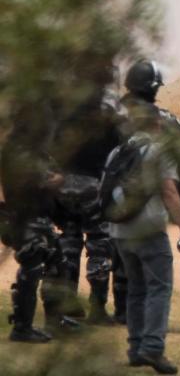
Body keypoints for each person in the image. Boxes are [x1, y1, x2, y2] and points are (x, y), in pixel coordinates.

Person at [109, 117, 180, 375]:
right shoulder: (158, 152)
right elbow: (169, 192)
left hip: (120, 230)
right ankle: (153, 347)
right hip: (149, 230)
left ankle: (135, 348)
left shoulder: (117, 152)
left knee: (136, 288)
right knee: (159, 288)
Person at [51, 90, 122, 324]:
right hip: (94, 185)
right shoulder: (108, 113)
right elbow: (117, 149)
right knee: (99, 246)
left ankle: (68, 305)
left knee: (69, 244)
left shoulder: (64, 111)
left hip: (65, 184)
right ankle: (97, 308)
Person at [1, 130, 69, 342]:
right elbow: (46, 179)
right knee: (31, 269)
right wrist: (55, 178)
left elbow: (57, 175)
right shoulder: (19, 153)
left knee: (57, 265)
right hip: (23, 218)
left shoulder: (37, 152)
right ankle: (22, 327)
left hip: (40, 218)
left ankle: (54, 321)